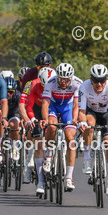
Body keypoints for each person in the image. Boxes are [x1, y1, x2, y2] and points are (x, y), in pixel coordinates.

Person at [76, 63, 108, 196]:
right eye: (96, 80)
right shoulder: (84, 87)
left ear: (106, 79)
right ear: (91, 79)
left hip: (106, 114)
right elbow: (82, 111)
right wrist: (82, 122)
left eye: (102, 81)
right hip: (91, 113)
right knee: (89, 124)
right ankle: (87, 158)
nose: (99, 84)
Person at [40, 62, 81, 192]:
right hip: (53, 105)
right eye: (61, 79)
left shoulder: (77, 83)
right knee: (51, 127)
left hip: (67, 108)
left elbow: (75, 105)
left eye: (66, 79)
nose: (63, 82)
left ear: (71, 78)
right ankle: (48, 153)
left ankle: (69, 177)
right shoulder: (50, 82)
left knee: (70, 138)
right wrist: (45, 120)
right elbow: (45, 104)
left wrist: (74, 119)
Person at [21, 66, 52, 195]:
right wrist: (31, 119)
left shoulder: (56, 82)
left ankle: (54, 157)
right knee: (38, 141)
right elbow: (27, 105)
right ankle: (39, 178)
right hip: (36, 109)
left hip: (51, 109)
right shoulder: (32, 84)